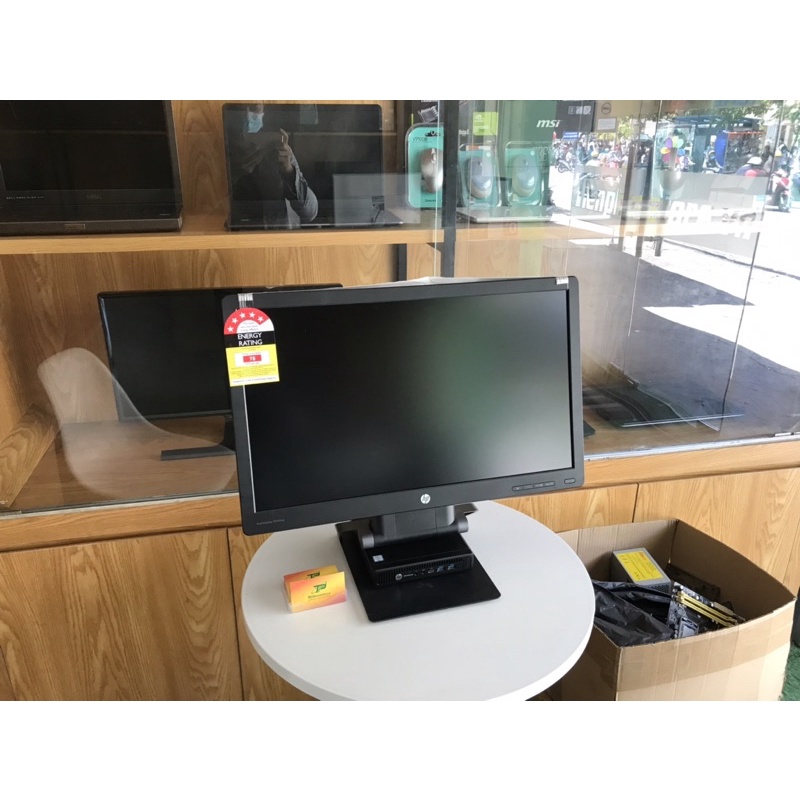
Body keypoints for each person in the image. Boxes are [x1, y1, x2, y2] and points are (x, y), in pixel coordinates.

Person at [226, 104, 318, 226]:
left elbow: (310, 212)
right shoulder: (223, 147)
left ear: (264, 110)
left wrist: (289, 171)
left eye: (254, 108)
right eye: (240, 109)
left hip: (280, 234)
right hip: (239, 233)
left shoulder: (276, 147)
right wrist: (235, 174)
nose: (247, 115)